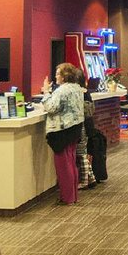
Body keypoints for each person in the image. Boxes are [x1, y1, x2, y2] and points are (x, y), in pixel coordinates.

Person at [41, 63, 85, 205]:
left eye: (58, 73)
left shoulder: (61, 91)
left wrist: (46, 92)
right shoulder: (77, 88)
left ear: (64, 76)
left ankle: (67, 197)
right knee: (71, 163)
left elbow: (51, 108)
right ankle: (73, 195)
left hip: (62, 130)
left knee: (63, 166)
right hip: (74, 128)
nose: (56, 76)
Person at [73, 68, 97, 190]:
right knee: (83, 152)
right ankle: (91, 178)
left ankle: (85, 181)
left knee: (81, 154)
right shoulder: (86, 92)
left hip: (83, 125)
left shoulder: (79, 93)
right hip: (89, 125)